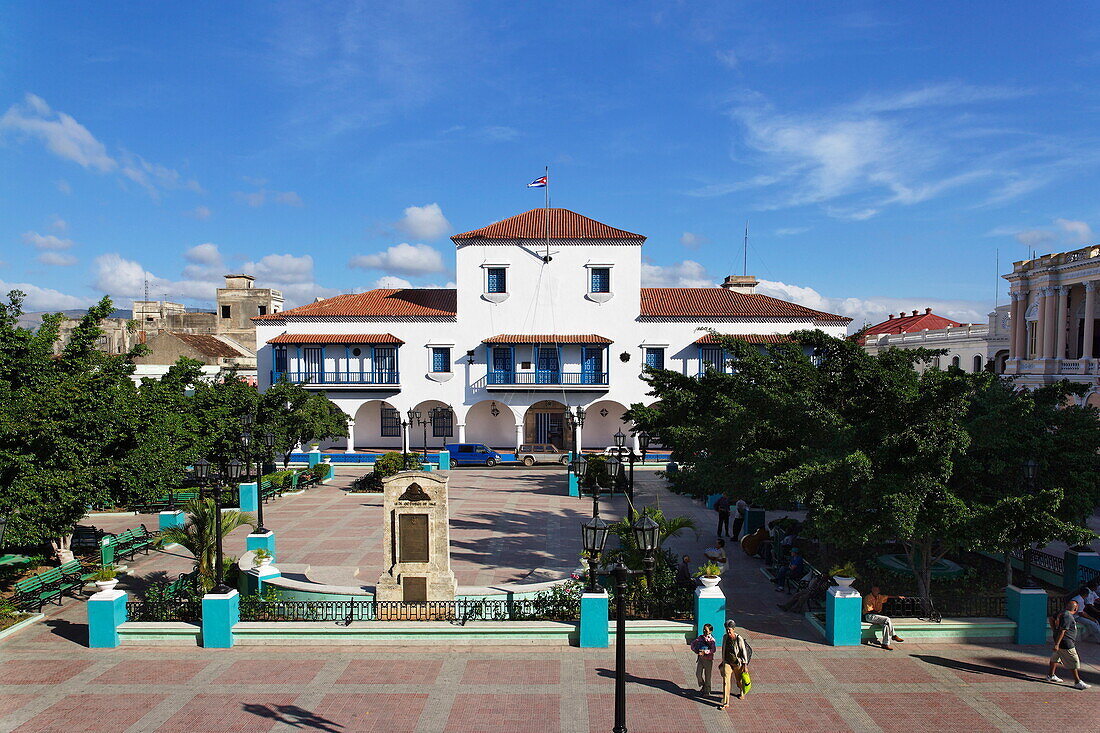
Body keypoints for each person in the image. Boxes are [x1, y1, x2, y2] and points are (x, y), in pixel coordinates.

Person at [1047, 599, 1091, 689]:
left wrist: (1054, 630)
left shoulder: (1062, 613)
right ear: (1076, 609)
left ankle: (1051, 675)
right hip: (1066, 643)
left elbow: (1051, 618)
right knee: (1074, 661)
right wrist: (1057, 644)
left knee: (1055, 658)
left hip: (1060, 642)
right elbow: (1063, 630)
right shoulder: (1068, 616)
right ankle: (1077, 681)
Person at [718, 619, 750, 709]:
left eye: (730, 630)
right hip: (727, 662)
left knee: (738, 680)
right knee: (725, 681)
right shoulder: (725, 637)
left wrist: (745, 665)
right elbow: (724, 650)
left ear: (733, 629)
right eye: (727, 629)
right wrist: (723, 661)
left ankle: (741, 691)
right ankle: (726, 701)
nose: (728, 631)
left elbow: (743, 652)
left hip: (737, 663)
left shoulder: (738, 638)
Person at [690, 623, 717, 696]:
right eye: (704, 629)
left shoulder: (712, 640)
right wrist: (696, 650)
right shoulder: (700, 638)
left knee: (707, 676)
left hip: (708, 660)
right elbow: (692, 644)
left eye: (706, 630)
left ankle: (707, 691)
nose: (704, 631)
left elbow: (713, 650)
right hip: (701, 659)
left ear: (710, 631)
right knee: (698, 674)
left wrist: (705, 652)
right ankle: (703, 685)